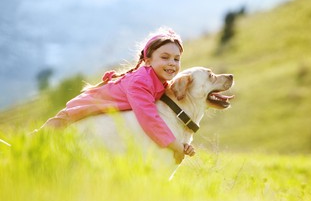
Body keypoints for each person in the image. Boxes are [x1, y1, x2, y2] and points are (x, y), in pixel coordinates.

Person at [40, 27, 195, 162]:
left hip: (101, 115)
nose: (172, 63)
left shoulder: (161, 83)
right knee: (44, 138)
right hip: (83, 108)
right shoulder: (140, 82)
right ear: (147, 60)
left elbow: (165, 117)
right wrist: (175, 145)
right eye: (165, 57)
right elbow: (149, 119)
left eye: (176, 59)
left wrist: (182, 143)